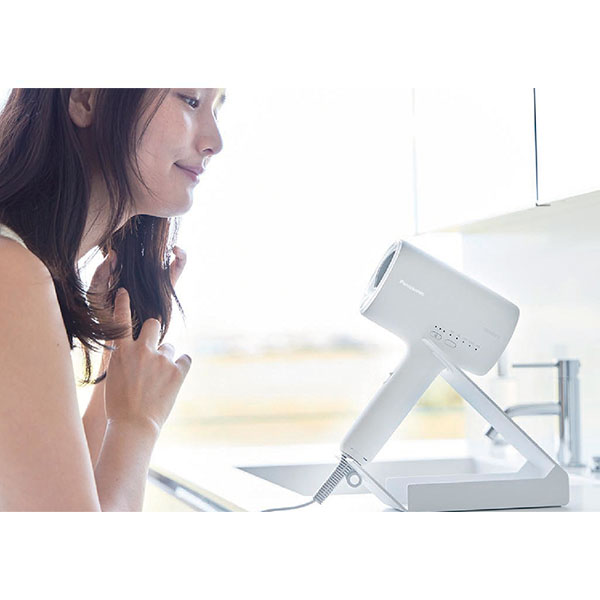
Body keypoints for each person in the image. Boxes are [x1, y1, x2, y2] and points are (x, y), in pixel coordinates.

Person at [0, 88, 225, 510]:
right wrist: (138, 425)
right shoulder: (10, 275)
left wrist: (116, 365)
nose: (215, 140)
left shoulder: (20, 269)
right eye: (190, 100)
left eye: (218, 107)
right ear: (87, 98)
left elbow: (64, 493)